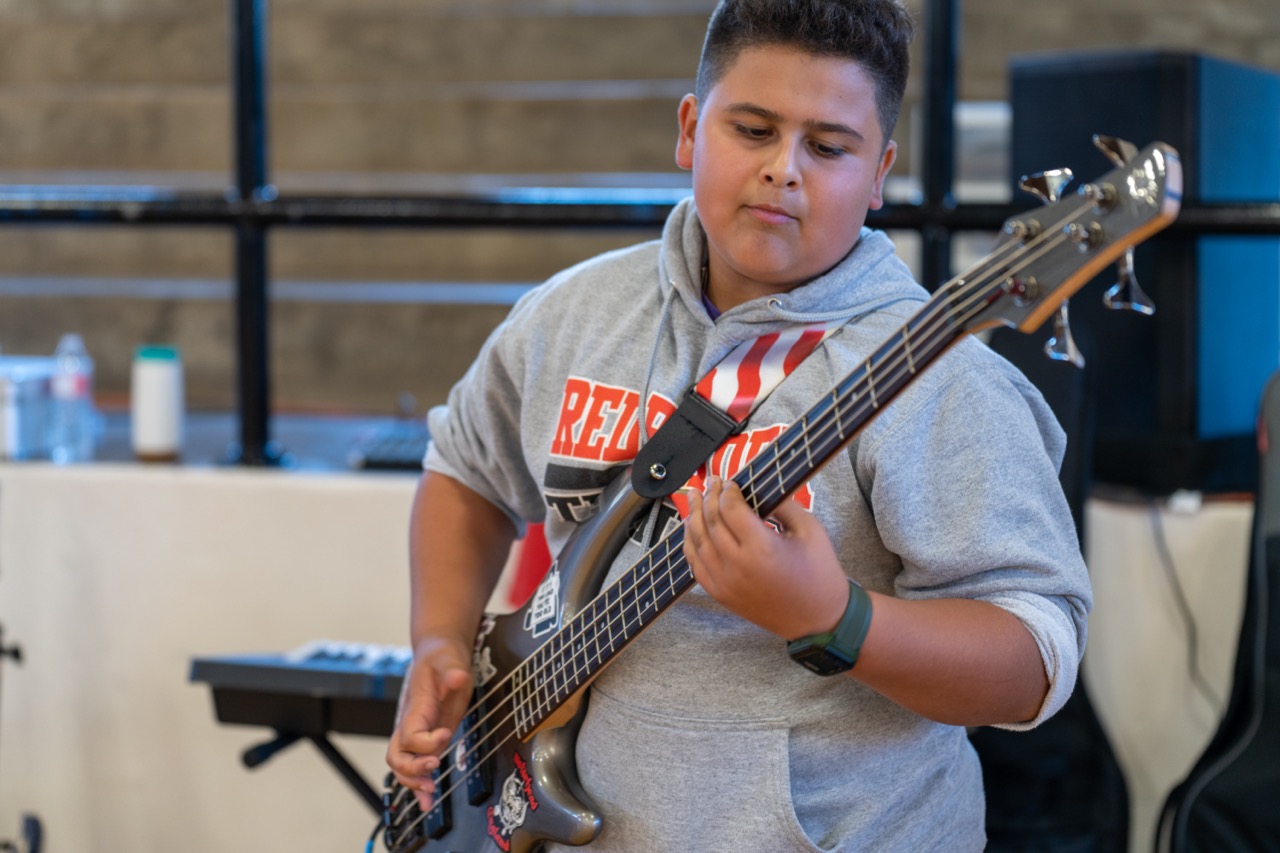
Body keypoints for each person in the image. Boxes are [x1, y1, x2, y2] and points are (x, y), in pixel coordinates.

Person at [386, 0, 1092, 849]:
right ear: (690, 130)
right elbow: (465, 467)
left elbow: (1033, 661)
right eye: (752, 130)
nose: (783, 170)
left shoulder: (945, 380)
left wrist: (836, 615)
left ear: (880, 173)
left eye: (828, 147)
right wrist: (437, 639)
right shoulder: (571, 314)